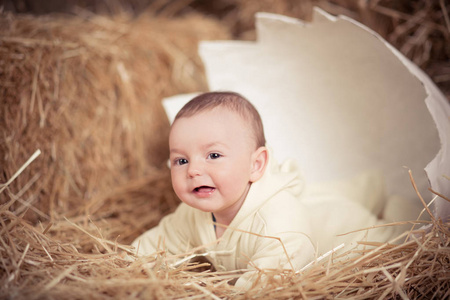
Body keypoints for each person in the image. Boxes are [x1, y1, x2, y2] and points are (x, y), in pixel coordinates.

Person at [132, 91, 316, 288]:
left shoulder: (279, 226)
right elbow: (153, 247)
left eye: (213, 155)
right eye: (182, 160)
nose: (193, 170)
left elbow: (265, 289)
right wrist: (127, 263)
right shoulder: (192, 215)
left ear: (255, 165)